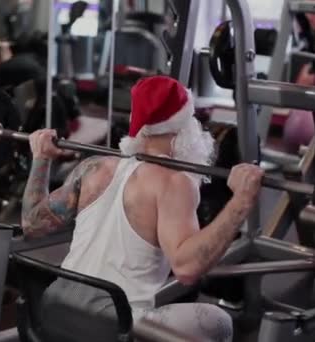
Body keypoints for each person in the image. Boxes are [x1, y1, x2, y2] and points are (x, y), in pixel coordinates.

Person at [20, 76, 264, 342]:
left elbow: (33, 224)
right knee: (219, 322)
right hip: (108, 328)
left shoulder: (94, 167)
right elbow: (187, 267)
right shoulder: (175, 181)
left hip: (50, 311)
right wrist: (241, 201)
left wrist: (41, 158)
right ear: (185, 125)